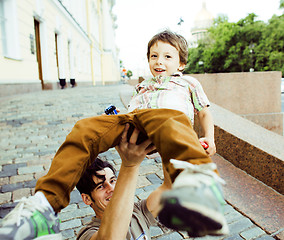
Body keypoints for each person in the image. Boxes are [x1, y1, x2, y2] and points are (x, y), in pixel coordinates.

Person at [0, 30, 228, 239]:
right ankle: (45, 205)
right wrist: (118, 119)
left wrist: (209, 137)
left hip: (168, 123)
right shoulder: (143, 85)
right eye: (154, 56)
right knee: (85, 127)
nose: (159, 61)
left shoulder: (188, 83)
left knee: (173, 125)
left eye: (168, 57)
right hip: (136, 122)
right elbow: (132, 111)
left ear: (182, 63)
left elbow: (204, 111)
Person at [76, 124, 171, 240]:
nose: (111, 188)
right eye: (100, 186)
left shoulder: (138, 212)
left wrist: (168, 144)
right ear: (86, 199)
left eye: (112, 180)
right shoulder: (87, 235)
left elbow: (169, 187)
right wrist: (130, 164)